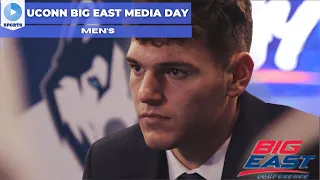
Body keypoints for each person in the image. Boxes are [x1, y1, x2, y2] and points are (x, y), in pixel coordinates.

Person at [83, 0, 319, 179]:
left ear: (238, 76)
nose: (146, 94)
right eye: (137, 68)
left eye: (175, 71)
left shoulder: (309, 155)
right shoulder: (106, 162)